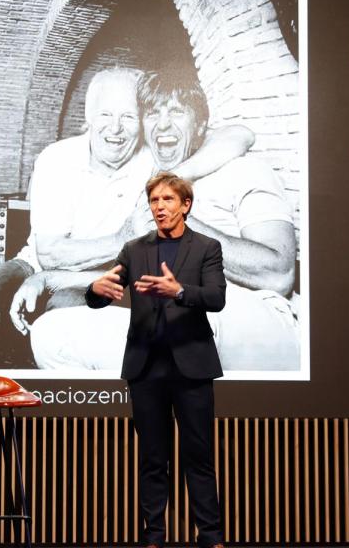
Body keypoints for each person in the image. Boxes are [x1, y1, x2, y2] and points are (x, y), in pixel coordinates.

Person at [0, 67, 254, 350]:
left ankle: (52, 376)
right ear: (88, 118)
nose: (115, 128)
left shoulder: (155, 157)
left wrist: (175, 177)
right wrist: (123, 236)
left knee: (64, 308)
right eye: (106, 115)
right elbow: (50, 254)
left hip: (109, 274)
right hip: (36, 265)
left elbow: (240, 135)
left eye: (128, 116)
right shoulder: (56, 158)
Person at [29, 69, 299, 371]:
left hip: (255, 318)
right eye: (153, 113)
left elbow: (280, 274)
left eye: (176, 112)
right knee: (51, 335)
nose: (163, 124)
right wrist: (46, 279)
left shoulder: (243, 170)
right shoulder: (149, 181)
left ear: (201, 127)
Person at [87, 172, 226, 548]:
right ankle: (154, 537)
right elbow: (104, 290)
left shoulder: (207, 247)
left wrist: (179, 291)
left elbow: (216, 297)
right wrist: (93, 290)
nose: (160, 207)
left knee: (198, 456)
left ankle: (210, 537)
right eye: (154, 201)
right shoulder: (135, 249)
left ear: (186, 205)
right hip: (146, 367)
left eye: (167, 200)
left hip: (192, 366)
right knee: (152, 458)